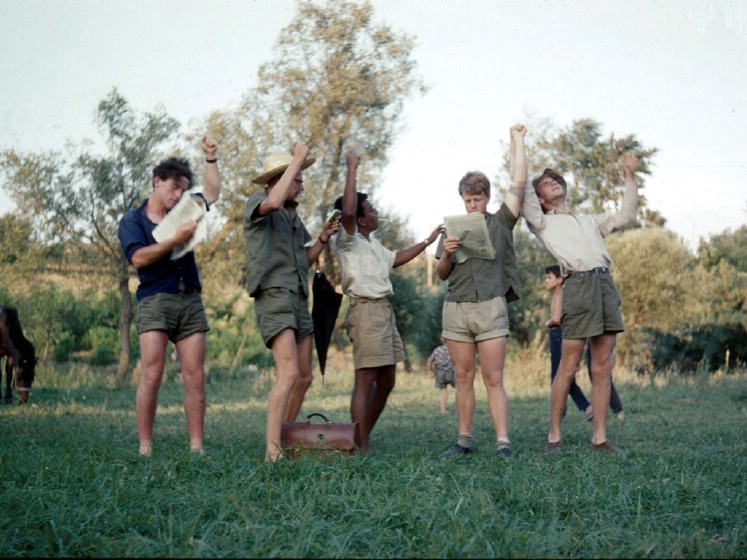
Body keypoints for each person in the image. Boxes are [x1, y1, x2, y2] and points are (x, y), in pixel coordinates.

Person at [522, 152, 639, 453]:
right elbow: (522, 189)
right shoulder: (542, 222)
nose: (552, 183)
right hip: (578, 284)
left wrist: (629, 176)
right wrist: (524, 153)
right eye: (545, 184)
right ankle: (553, 436)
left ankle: (599, 438)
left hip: (604, 283)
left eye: (554, 180)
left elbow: (626, 217)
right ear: (540, 199)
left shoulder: (588, 219)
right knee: (569, 365)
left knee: (602, 367)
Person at [332, 149, 443, 453]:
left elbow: (396, 259)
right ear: (360, 218)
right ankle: (360, 446)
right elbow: (350, 210)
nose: (377, 212)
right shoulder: (348, 239)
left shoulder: (372, 243)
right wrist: (352, 168)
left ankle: (360, 437)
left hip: (383, 313)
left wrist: (427, 241)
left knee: (388, 380)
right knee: (365, 379)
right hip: (366, 312)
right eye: (372, 209)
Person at [118, 134, 220, 457]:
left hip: (189, 297)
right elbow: (138, 258)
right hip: (154, 299)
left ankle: (196, 447)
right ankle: (145, 446)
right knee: (152, 372)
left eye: (183, 189)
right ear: (156, 182)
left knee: (195, 375)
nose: (179, 195)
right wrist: (175, 240)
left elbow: (213, 192)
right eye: (174, 187)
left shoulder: (186, 209)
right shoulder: (133, 220)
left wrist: (211, 157)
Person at [244, 141, 340, 462]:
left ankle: (286, 435)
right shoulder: (260, 201)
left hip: (299, 298)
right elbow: (272, 201)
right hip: (274, 296)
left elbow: (306, 258)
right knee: (287, 374)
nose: (302, 184)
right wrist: (297, 159)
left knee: (304, 376)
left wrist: (323, 238)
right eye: (298, 177)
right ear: (282, 176)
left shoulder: (294, 217)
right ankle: (272, 453)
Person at [436, 124, 527, 458]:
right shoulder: (452, 227)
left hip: (490, 305)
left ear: (487, 198)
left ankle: (503, 442)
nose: (472, 205)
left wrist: (517, 141)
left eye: (477, 199)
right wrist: (446, 251)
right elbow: (442, 274)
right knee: (462, 375)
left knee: (493, 377)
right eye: (467, 200)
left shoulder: (501, 221)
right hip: (457, 307)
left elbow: (518, 184)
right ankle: (463, 440)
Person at [544, 264, 593, 421]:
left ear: (559, 280)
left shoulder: (559, 295)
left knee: (558, 376)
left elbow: (557, 319)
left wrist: (548, 323)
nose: (546, 280)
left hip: (558, 334)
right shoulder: (559, 294)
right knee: (563, 376)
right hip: (559, 335)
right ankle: (568, 411)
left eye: (549, 277)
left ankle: (581, 408)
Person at [426, 337, 456, 415]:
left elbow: (429, 360)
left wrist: (430, 371)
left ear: (441, 340)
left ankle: (443, 411)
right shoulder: (454, 349)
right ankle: (460, 410)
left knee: (443, 391)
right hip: (452, 372)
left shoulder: (437, 350)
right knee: (459, 390)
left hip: (440, 373)